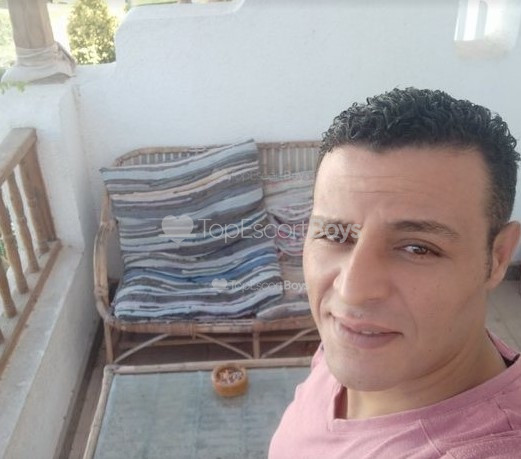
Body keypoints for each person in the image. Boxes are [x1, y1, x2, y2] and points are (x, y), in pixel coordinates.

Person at [269, 87, 521, 458]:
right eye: (335, 234)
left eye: (417, 248)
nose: (352, 290)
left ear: (498, 257)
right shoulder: (362, 337)